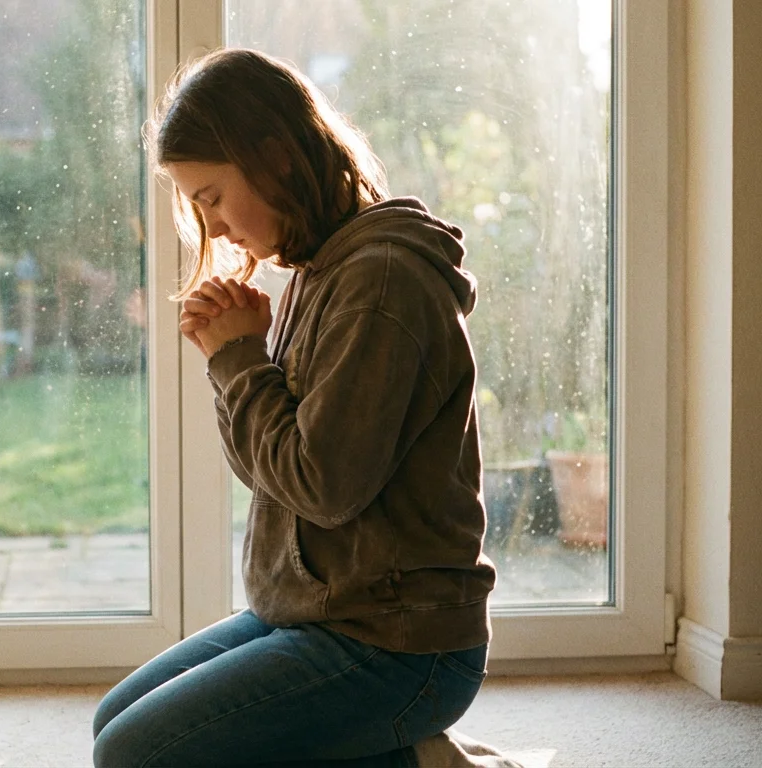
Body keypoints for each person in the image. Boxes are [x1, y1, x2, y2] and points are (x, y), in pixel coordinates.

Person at [92, 48, 497, 768]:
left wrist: (238, 359)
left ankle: (415, 761)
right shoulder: (323, 267)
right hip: (320, 613)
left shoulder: (381, 282)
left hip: (401, 644)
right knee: (114, 722)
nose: (211, 228)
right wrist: (233, 358)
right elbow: (272, 473)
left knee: (136, 755)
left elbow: (323, 486)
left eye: (212, 196)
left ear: (275, 158)